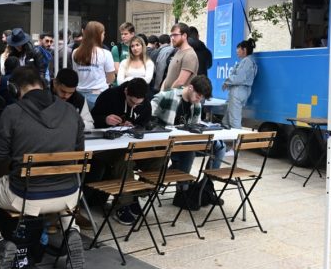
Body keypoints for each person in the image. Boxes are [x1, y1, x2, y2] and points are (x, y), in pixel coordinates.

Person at [0, 66, 85, 269]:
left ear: (13, 88)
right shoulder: (71, 111)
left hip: (27, 196)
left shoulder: (13, 112)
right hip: (70, 194)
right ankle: (72, 234)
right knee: (58, 186)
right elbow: (79, 152)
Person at [86, 78, 152, 225]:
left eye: (138, 103)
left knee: (159, 157)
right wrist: (105, 119)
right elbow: (91, 121)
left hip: (131, 144)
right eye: (131, 102)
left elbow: (144, 124)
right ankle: (124, 204)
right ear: (126, 91)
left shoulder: (145, 103)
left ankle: (137, 194)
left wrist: (134, 126)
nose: (134, 106)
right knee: (125, 159)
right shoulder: (109, 96)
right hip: (105, 147)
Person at [151, 75, 226, 172]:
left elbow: (196, 126)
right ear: (190, 88)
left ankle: (206, 184)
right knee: (189, 151)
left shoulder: (197, 105)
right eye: (198, 96)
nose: (199, 99)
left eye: (202, 97)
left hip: (185, 142)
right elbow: (147, 115)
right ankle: (183, 185)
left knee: (221, 146)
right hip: (166, 142)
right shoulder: (167, 96)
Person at [71, 21, 116, 108]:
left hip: (79, 95)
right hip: (99, 95)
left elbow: (75, 73)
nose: (104, 36)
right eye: (103, 33)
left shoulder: (75, 52)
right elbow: (111, 77)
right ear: (98, 35)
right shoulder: (105, 53)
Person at [222, 38, 259, 129]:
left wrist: (227, 82)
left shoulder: (247, 61)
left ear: (244, 50)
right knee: (226, 120)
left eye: (238, 50)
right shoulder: (251, 61)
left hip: (238, 91)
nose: (237, 52)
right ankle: (224, 141)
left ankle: (238, 142)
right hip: (242, 91)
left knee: (234, 121)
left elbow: (239, 78)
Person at [161, 23, 198, 90]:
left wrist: (167, 95)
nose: (172, 38)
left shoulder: (189, 55)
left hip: (178, 98)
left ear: (184, 36)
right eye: (171, 35)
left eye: (175, 35)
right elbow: (168, 76)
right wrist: (162, 93)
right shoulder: (177, 52)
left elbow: (181, 82)